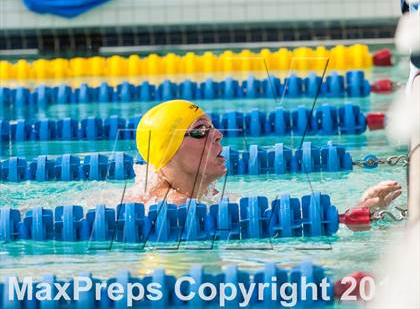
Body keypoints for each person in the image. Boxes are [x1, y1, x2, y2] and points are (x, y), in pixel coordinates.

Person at [124, 100, 402, 209]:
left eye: (213, 127)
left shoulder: (208, 200)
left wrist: (357, 209)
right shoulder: (173, 207)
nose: (218, 134)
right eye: (201, 130)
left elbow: (272, 215)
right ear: (168, 153)